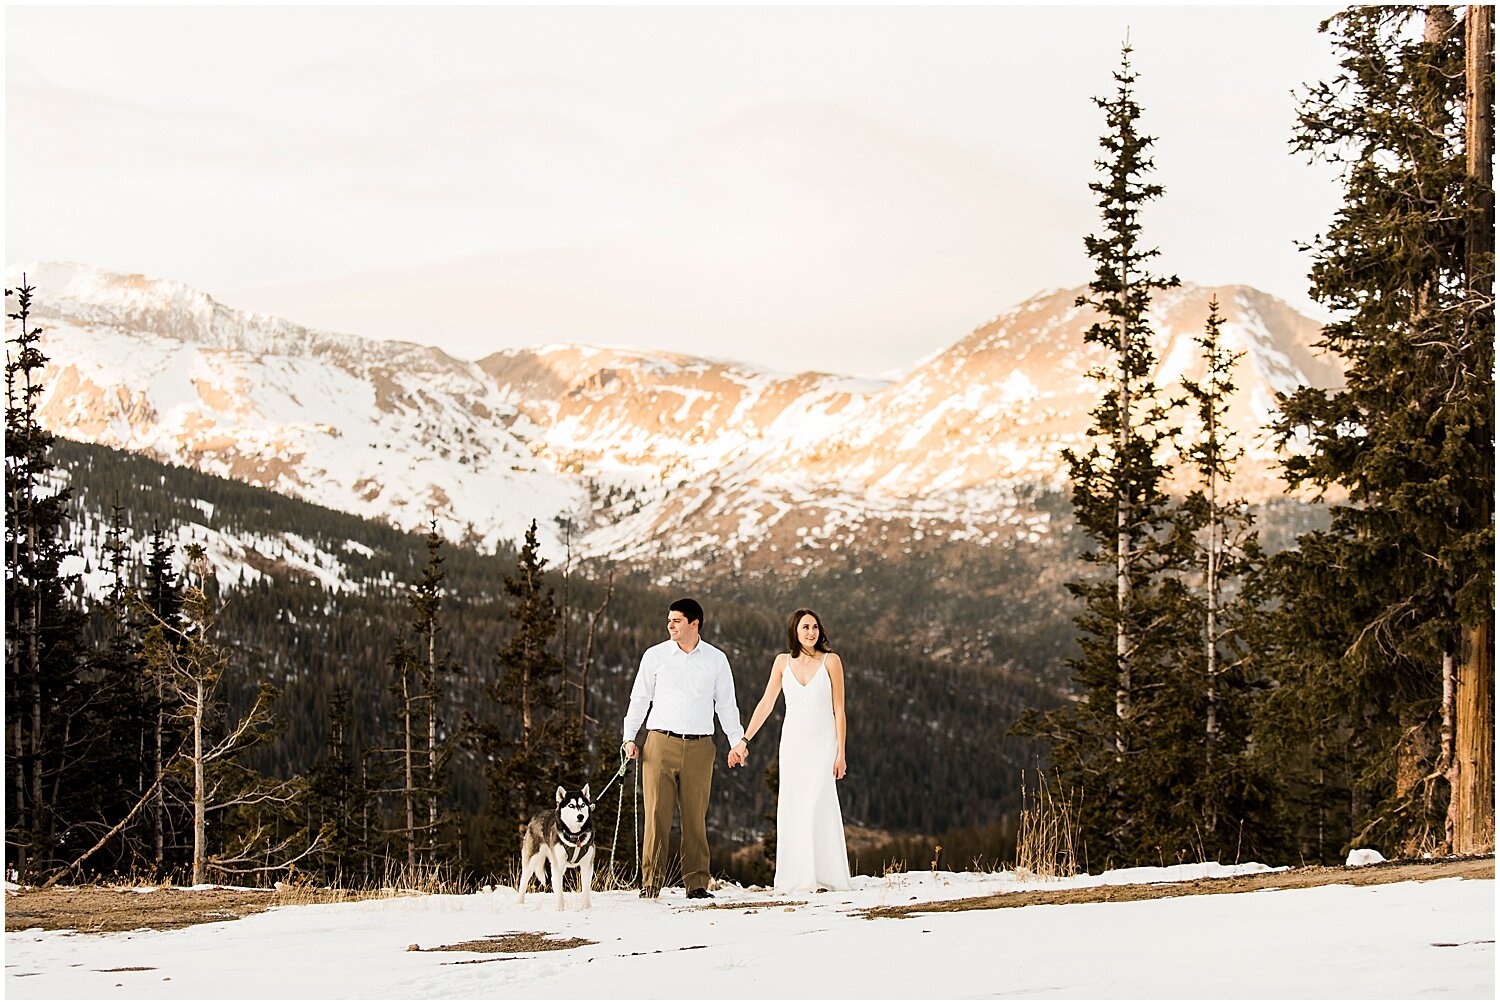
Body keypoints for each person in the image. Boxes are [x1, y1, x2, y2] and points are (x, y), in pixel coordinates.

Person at [622, 597, 746, 899]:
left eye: (676, 620)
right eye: (669, 620)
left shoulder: (716, 660)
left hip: (700, 747)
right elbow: (639, 699)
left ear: (694, 623)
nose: (670, 625)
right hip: (659, 744)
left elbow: (727, 705)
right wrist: (629, 737)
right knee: (656, 816)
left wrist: (736, 742)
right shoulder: (655, 656)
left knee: (694, 817)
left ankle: (697, 884)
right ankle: (651, 882)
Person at [739, 607, 852, 893]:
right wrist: (745, 739)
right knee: (795, 806)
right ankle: (798, 877)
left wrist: (841, 752)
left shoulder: (832, 661)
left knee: (818, 803)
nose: (811, 632)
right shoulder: (781, 663)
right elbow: (766, 704)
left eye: (815, 626)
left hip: (824, 742)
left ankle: (826, 875)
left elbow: (839, 708)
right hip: (792, 744)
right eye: (805, 627)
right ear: (795, 631)